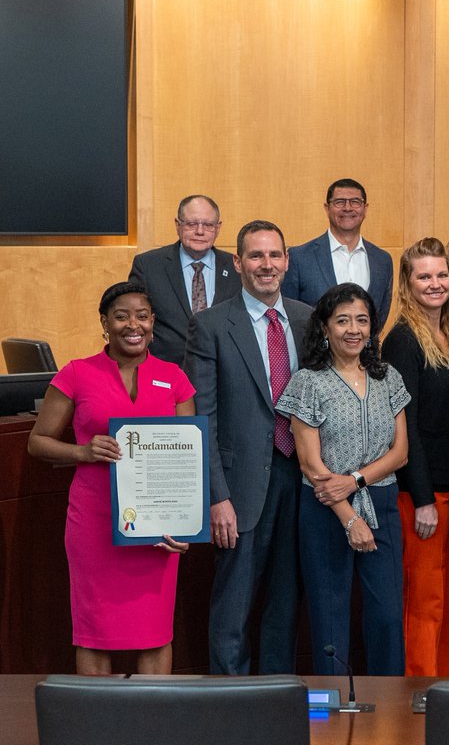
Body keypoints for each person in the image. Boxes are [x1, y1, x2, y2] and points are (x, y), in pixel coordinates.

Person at [28, 281, 193, 674]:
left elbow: (189, 456)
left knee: (155, 630)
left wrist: (186, 524)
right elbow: (37, 442)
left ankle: (152, 727)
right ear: (105, 322)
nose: (132, 325)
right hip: (96, 523)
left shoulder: (174, 378)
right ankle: (94, 727)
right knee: (94, 631)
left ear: (153, 322)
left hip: (157, 528)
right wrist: (82, 452)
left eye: (141, 316)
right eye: (121, 316)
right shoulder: (77, 373)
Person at [185, 220, 312, 675]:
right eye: (256, 256)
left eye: (274, 255)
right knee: (234, 603)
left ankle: (275, 693)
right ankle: (230, 701)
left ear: (286, 261)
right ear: (237, 262)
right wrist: (217, 496)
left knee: (285, 601)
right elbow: (202, 419)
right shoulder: (211, 325)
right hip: (238, 490)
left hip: (300, 481)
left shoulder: (306, 318)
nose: (266, 265)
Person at [276, 282, 410, 675]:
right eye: (343, 320)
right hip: (324, 510)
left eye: (362, 320)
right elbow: (310, 464)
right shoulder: (308, 382)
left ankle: (390, 707)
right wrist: (349, 517)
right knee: (329, 617)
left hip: (381, 503)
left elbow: (400, 453)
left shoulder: (388, 377)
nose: (353, 329)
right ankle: (332, 708)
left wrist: (355, 481)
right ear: (325, 328)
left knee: (387, 615)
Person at [381, 238, 449, 676]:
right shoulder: (403, 340)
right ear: (407, 283)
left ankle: (446, 688)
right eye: (424, 276)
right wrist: (421, 497)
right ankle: (416, 694)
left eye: (442, 274)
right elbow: (406, 425)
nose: (435, 283)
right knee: (424, 601)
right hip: (424, 496)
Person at [128, 195, 240, 364]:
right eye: (192, 224)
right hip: (166, 373)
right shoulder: (148, 266)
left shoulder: (236, 268)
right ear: (177, 225)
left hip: (224, 371)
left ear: (218, 228)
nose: (200, 231)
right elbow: (134, 320)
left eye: (208, 225)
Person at [282, 178, 395, 326]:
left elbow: (380, 316)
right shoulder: (299, 258)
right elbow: (288, 314)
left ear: (365, 208)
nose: (347, 208)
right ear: (327, 208)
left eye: (355, 202)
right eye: (339, 202)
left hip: (366, 349)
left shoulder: (382, 261)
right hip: (311, 348)